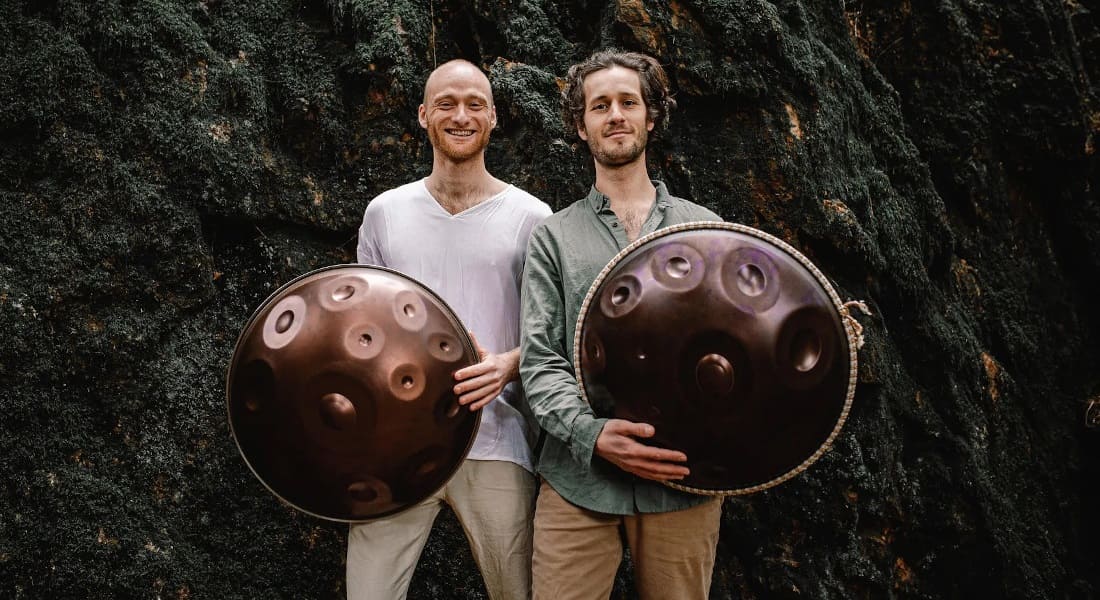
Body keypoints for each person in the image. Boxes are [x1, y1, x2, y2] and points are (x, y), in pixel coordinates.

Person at [519, 50, 724, 600]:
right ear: (581, 127)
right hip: (578, 481)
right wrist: (593, 435)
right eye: (599, 106)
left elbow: (735, 351)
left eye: (628, 102)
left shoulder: (705, 228)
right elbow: (540, 360)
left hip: (682, 482)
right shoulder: (553, 237)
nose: (615, 115)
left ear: (650, 116)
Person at [348, 59, 551, 600]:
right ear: (422, 115)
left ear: (493, 118)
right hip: (394, 441)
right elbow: (359, 332)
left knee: (522, 593)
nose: (460, 115)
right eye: (446, 103)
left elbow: (551, 333)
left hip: (498, 437)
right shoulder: (384, 213)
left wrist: (507, 365)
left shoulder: (533, 218)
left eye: (474, 104)